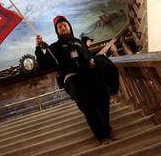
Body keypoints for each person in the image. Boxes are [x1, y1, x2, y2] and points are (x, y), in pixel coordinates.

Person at [35, 15, 117, 145]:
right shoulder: (54, 47)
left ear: (69, 27)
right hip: (72, 78)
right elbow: (43, 63)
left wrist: (91, 60)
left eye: (64, 25)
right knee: (87, 103)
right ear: (57, 31)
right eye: (59, 27)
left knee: (104, 91)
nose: (63, 28)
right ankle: (103, 136)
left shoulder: (78, 42)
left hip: (89, 74)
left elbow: (89, 55)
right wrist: (38, 47)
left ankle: (105, 124)